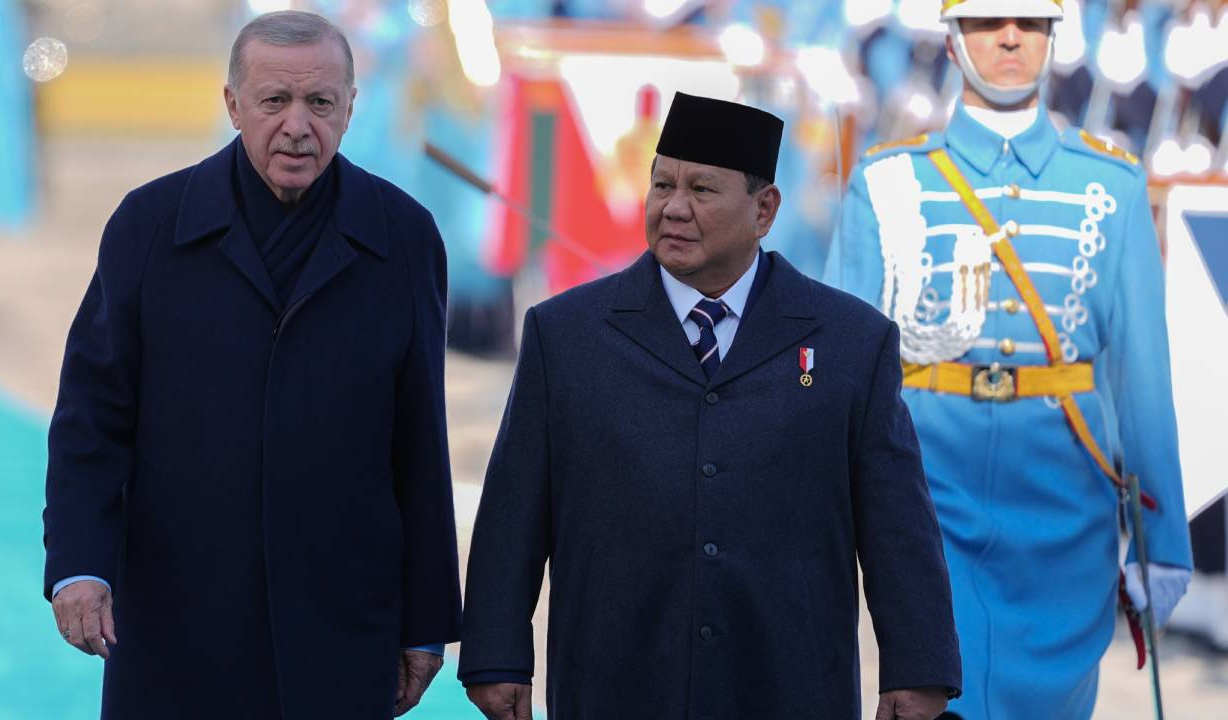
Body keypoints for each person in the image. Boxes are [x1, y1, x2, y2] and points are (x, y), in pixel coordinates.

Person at [458, 91, 961, 720]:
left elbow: (898, 524)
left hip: (787, 685)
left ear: (764, 209)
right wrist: (496, 654)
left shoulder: (851, 342)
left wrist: (919, 668)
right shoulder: (567, 336)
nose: (674, 207)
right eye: (661, 185)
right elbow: (513, 512)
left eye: (701, 189)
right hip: (614, 683)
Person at [42, 11, 460, 718]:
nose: (298, 125)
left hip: (340, 622)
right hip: (177, 621)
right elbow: (92, 416)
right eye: (274, 101)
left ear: (351, 108)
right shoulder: (150, 226)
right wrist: (79, 565)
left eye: (320, 102)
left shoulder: (403, 237)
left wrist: (425, 623)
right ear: (233, 105)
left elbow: (420, 441)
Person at [824, 1, 1193, 717]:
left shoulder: (1112, 185)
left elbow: (1142, 378)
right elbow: (841, 377)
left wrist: (1165, 538)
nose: (1012, 36)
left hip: (1065, 511)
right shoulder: (887, 182)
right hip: (930, 497)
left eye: (1031, 20)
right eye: (987, 20)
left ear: (1055, 36)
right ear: (952, 39)